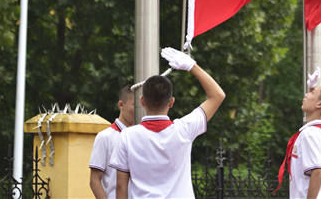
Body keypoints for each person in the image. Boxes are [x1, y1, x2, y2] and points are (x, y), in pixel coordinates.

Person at [109, 48, 225, 199]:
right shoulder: (185, 129)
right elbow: (218, 95)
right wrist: (191, 66)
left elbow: (120, 186)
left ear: (142, 101)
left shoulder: (126, 136)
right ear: (171, 102)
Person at [274, 68, 321, 199]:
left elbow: (317, 173)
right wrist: (313, 90)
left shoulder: (311, 134)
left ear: (320, 103)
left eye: (311, 93)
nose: (306, 95)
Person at [89, 83, 135, 199]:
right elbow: (94, 180)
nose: (140, 109)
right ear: (121, 104)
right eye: (135, 105)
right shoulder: (105, 137)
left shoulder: (141, 137)